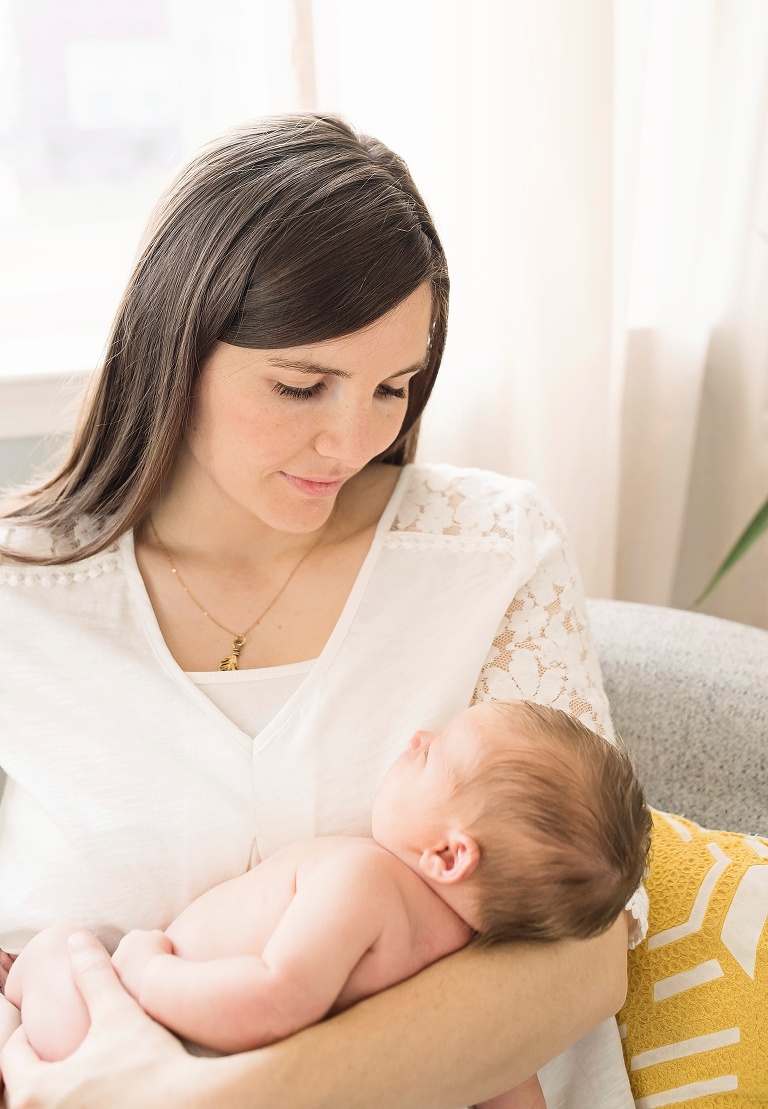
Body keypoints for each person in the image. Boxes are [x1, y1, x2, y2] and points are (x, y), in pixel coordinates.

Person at [0, 114, 643, 1109]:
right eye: (302, 385)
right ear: (176, 345)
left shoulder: (489, 552)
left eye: (395, 387)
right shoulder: (20, 598)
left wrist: (220, 1097)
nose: (351, 441)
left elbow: (582, 955)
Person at [5, 701, 651, 1109]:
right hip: (182, 1053)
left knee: (58, 948)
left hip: (149, 1037)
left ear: (449, 856)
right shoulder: (470, 959)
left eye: (432, 753)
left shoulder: (366, 878)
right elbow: (506, 1078)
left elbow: (275, 997)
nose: (418, 736)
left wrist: (148, 973)